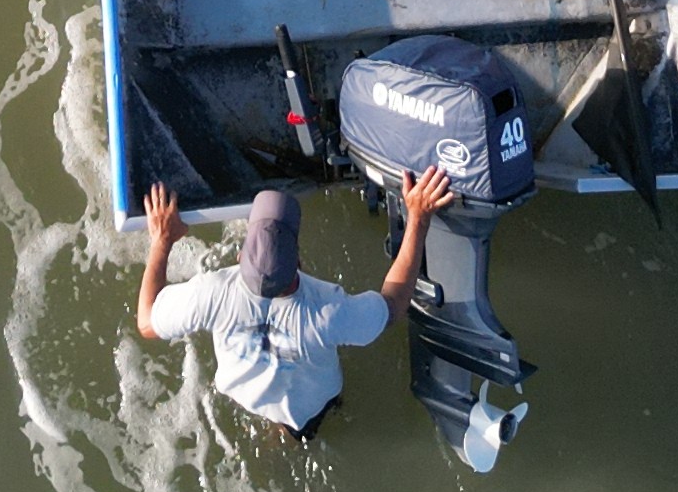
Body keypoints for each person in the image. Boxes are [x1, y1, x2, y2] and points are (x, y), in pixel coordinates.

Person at [133, 171, 456, 438]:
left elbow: (146, 322)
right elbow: (394, 304)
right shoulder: (328, 311)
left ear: (240, 257)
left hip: (248, 398)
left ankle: (281, 437)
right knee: (313, 420)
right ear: (298, 262)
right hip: (314, 404)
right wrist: (418, 218)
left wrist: (162, 242)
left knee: (286, 432)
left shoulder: (212, 292)